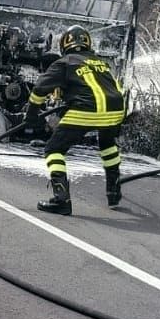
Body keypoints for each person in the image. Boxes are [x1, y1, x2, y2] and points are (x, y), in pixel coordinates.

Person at [26, 25, 128, 215]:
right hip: (115, 110)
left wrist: (31, 116)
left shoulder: (64, 63)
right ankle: (114, 193)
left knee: (54, 149)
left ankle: (61, 200)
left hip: (87, 110)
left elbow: (39, 89)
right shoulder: (101, 62)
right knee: (108, 145)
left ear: (64, 44)